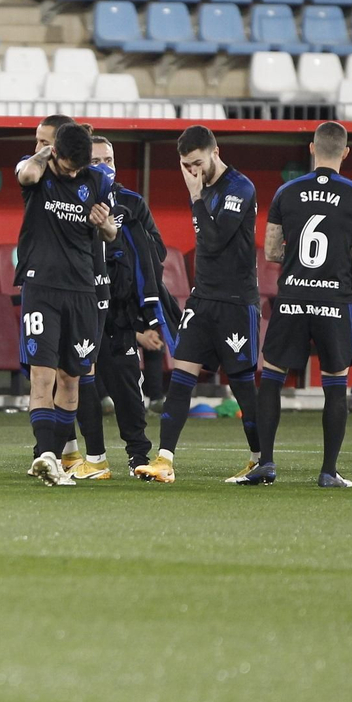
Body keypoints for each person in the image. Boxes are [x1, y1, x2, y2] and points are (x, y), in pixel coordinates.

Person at [135, 125, 263, 485]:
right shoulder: (202, 187)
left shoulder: (240, 187)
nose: (193, 171)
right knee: (181, 377)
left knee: (241, 385)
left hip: (236, 301)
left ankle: (260, 459)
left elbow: (217, 238)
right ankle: (164, 459)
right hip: (203, 298)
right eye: (186, 165)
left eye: (197, 163)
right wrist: (197, 193)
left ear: (215, 152)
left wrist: (195, 198)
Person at [248, 122, 352, 488]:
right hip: (334, 300)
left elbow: (271, 250)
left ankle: (267, 463)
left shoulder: (287, 191)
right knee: (335, 383)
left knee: (271, 377)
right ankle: (328, 472)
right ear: (346, 152)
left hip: (293, 297)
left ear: (311, 148)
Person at [14, 122, 118, 486]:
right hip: (41, 287)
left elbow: (112, 233)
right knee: (41, 375)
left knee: (71, 378)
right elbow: (26, 173)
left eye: (80, 166)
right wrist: (46, 150)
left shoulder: (98, 182)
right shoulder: (38, 171)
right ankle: (45, 454)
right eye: (70, 165)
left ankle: (53, 457)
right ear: (55, 153)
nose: (75, 172)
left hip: (82, 290)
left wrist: (103, 224)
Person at [65, 136, 168, 481]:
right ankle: (82, 456)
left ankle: (138, 454)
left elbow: (157, 252)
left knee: (125, 383)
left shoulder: (131, 203)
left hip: (119, 311)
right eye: (95, 160)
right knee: (78, 381)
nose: (103, 166)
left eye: (108, 159)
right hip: (80, 304)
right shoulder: (66, 199)